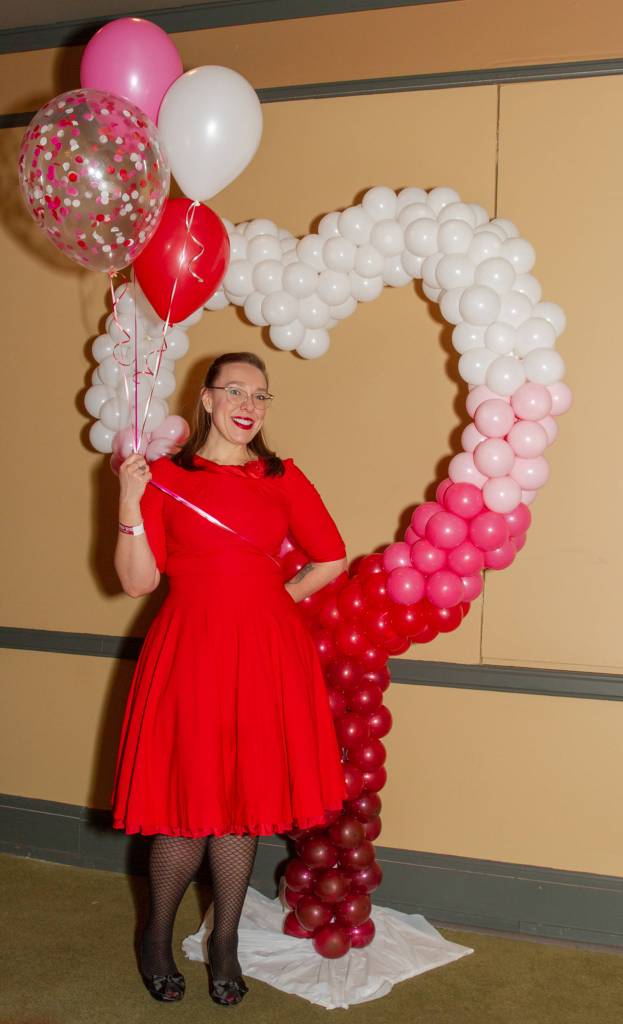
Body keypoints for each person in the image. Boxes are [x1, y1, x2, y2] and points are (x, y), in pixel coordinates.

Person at [111, 351, 348, 1007]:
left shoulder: (280, 477)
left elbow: (329, 556)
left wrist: (277, 600)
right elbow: (137, 580)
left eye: (262, 395)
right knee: (188, 804)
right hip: (191, 651)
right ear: (208, 398)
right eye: (236, 390)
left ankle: (224, 943)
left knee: (242, 805)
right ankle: (155, 937)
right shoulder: (163, 477)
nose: (250, 404)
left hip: (266, 654)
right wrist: (130, 501)